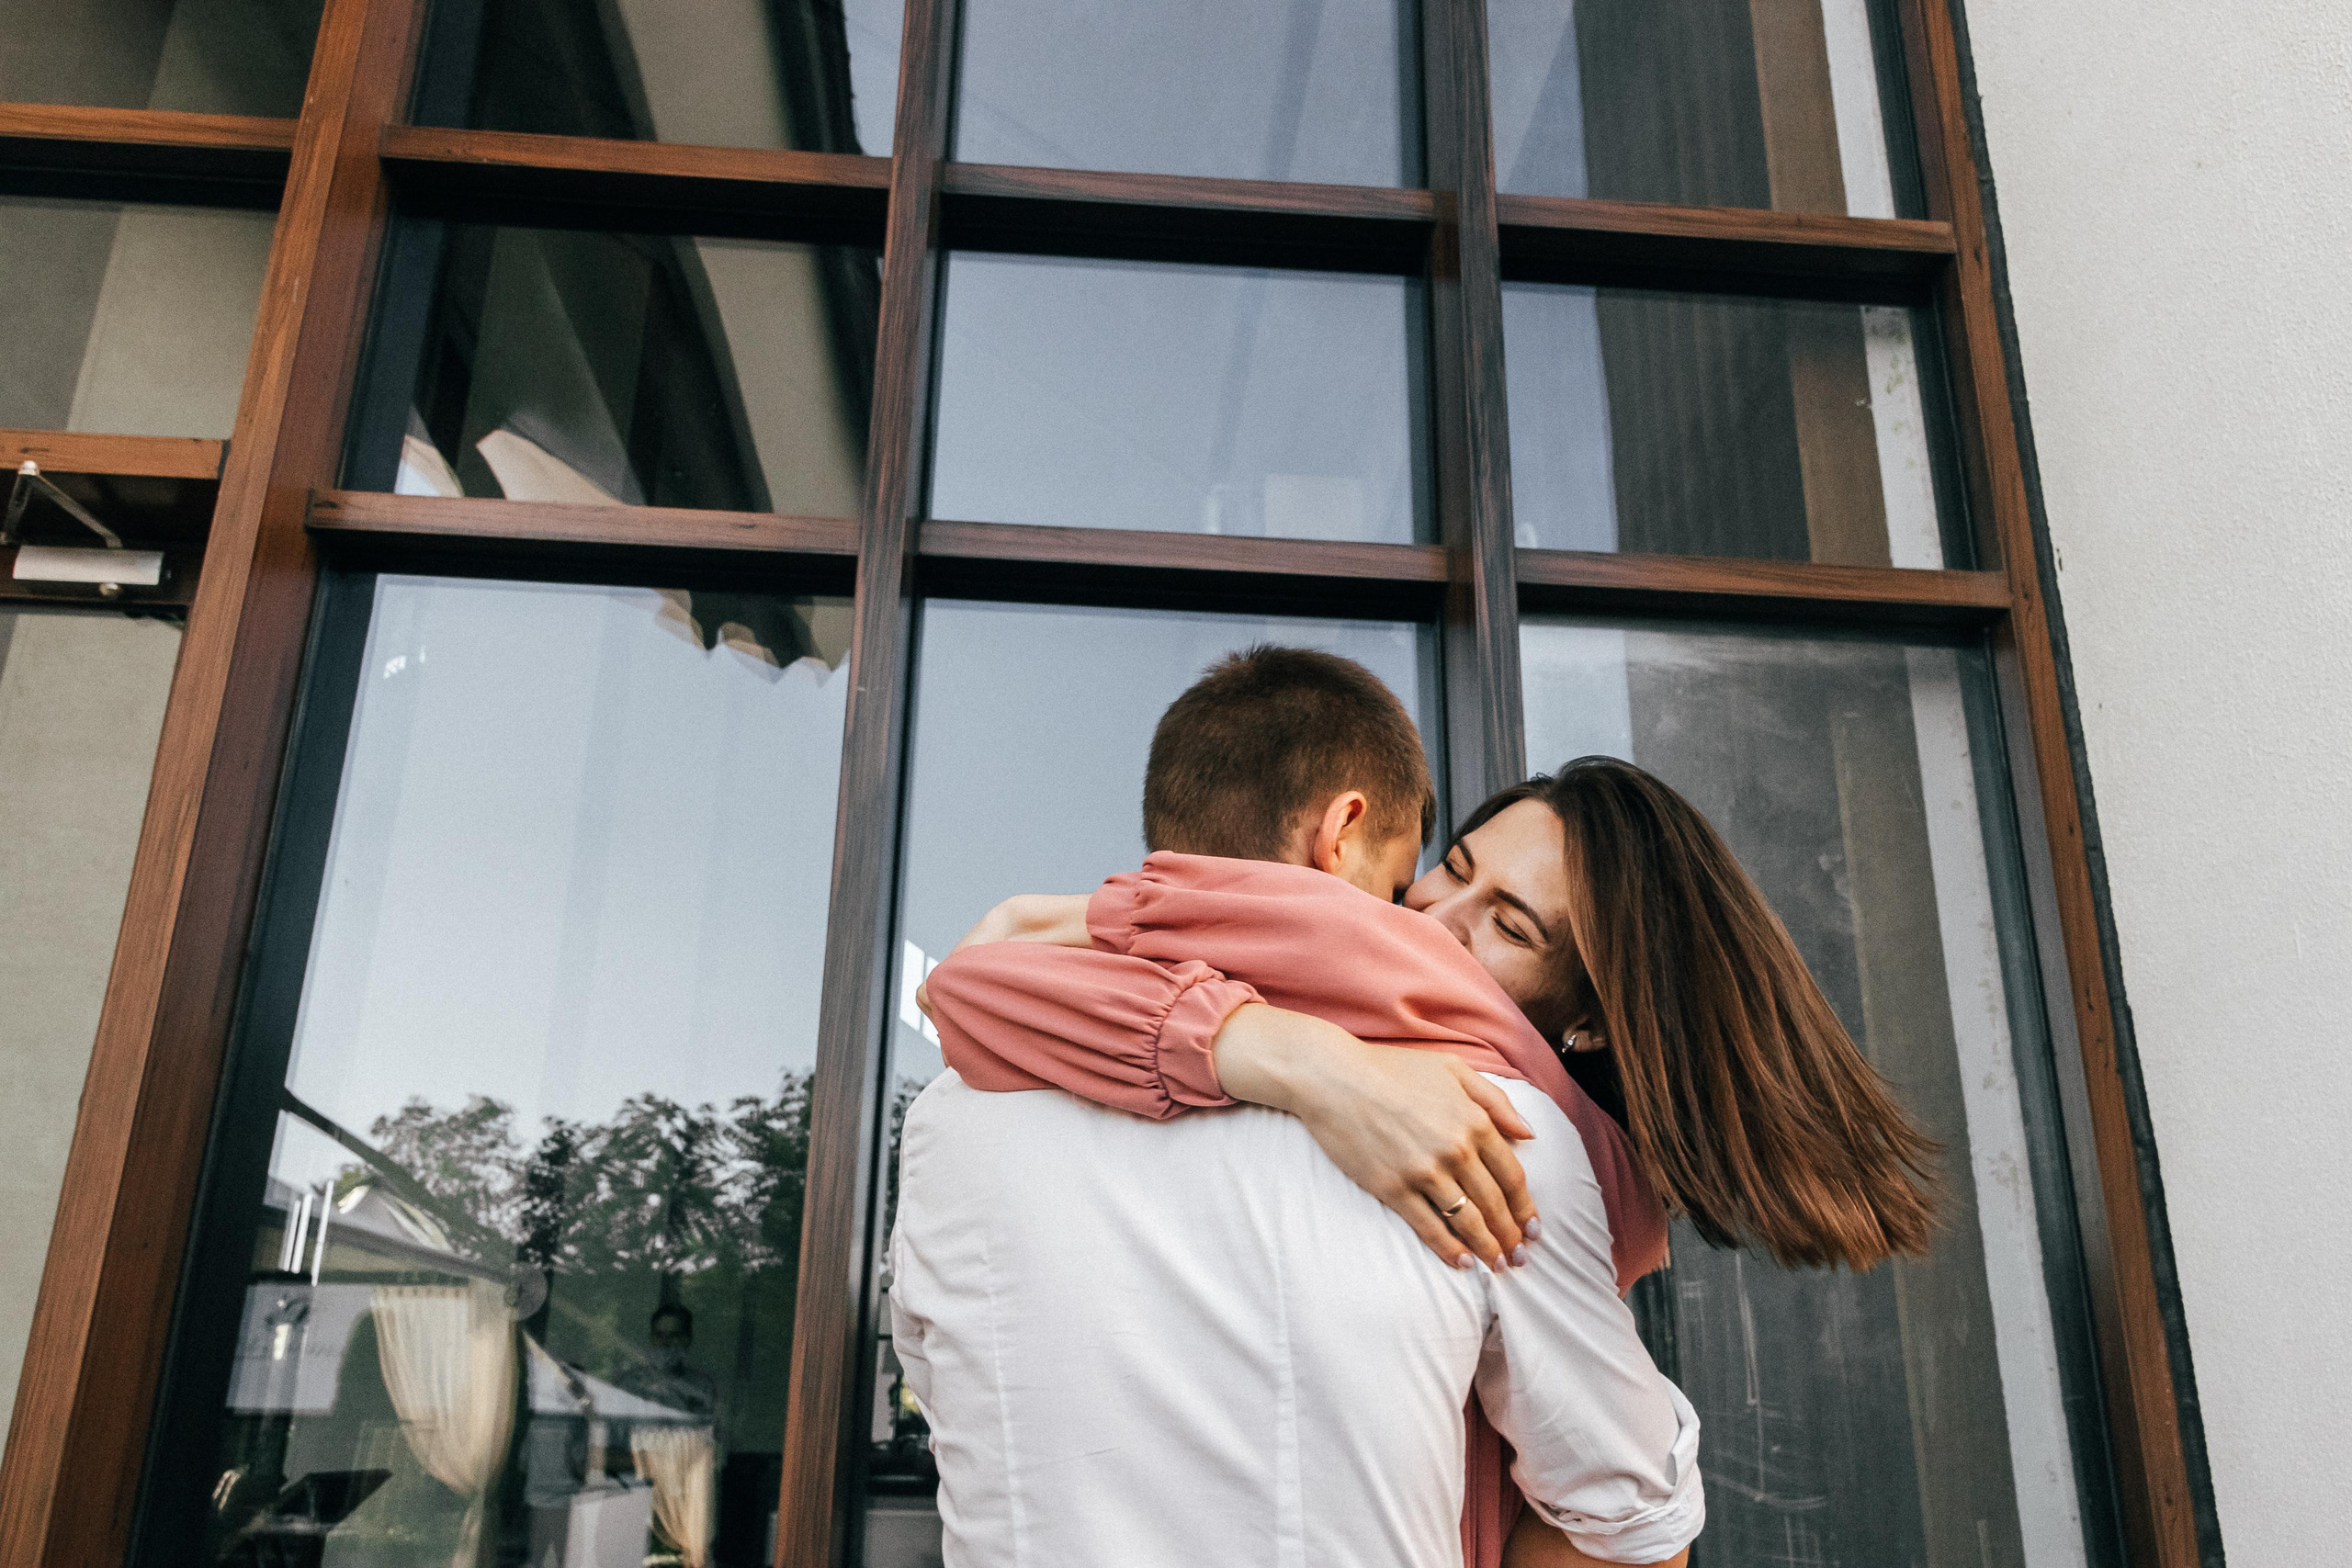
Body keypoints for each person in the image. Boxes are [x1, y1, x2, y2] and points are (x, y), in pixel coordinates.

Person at [915, 648, 1938, 1566]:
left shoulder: (957, 1107)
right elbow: (1630, 1529)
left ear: (1585, 1020)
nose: (1427, 925)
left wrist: (1052, 921)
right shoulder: (1493, 1137)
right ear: (1346, 836)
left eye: (1507, 925)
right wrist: (1307, 1060)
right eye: (1442, 872)